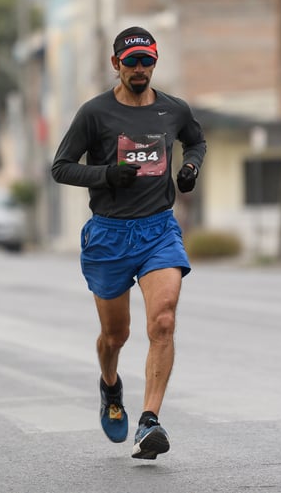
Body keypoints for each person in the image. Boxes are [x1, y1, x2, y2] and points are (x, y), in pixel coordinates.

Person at [52, 26, 206, 460]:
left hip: (158, 229)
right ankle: (110, 385)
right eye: (132, 62)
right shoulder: (94, 114)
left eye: (147, 61)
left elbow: (195, 140)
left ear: (155, 63)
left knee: (163, 321)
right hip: (109, 234)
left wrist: (190, 167)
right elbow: (61, 167)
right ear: (116, 64)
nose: (140, 69)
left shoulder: (173, 110)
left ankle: (149, 421)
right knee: (114, 334)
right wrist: (104, 175)